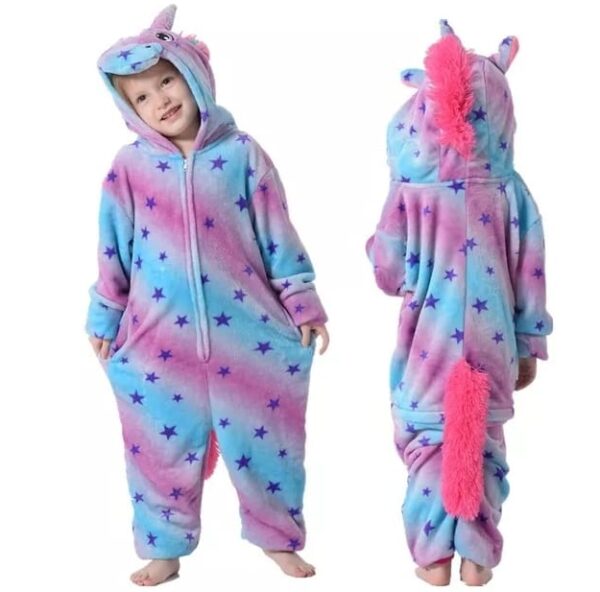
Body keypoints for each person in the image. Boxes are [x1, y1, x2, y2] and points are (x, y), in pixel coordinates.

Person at [85, 4, 329, 586]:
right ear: (129, 109)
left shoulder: (242, 154)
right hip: (157, 338)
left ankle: (277, 537)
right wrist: (105, 314)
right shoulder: (129, 168)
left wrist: (302, 301)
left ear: (194, 75)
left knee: (271, 443)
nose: (160, 100)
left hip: (247, 333)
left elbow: (277, 234)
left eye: (167, 81)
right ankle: (163, 548)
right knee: (155, 449)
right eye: (142, 96)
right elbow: (113, 248)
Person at [365, 20, 552, 586]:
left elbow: (387, 270)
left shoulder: (408, 195)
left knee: (428, 439)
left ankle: (432, 555)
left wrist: (393, 259)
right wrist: (529, 342)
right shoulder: (512, 192)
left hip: (426, 346)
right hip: (494, 341)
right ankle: (476, 552)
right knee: (482, 440)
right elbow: (530, 273)